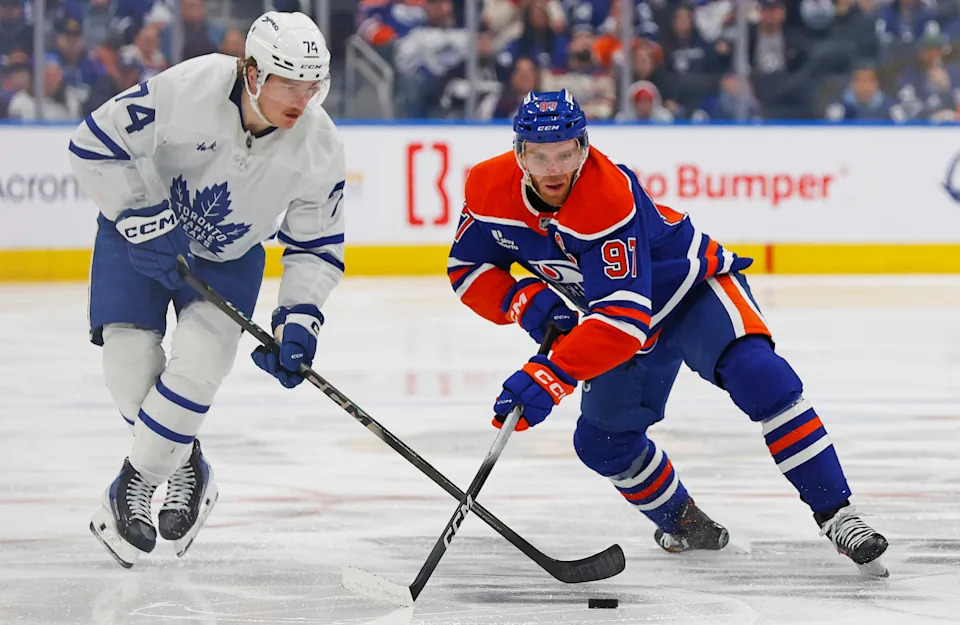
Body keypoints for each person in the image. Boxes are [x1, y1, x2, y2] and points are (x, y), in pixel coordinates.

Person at [447, 89, 889, 577]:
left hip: (690, 292)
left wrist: (551, 374)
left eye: (565, 154)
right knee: (603, 443)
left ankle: (839, 515)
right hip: (613, 319)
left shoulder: (607, 194)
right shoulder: (487, 187)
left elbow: (624, 319)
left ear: (583, 148)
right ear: (519, 154)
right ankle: (684, 522)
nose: (554, 170)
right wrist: (529, 305)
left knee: (762, 377)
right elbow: (467, 268)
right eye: (540, 156)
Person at [68, 11, 346, 568]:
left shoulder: (320, 144)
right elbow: (93, 142)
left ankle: (132, 486)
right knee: (127, 370)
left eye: (312, 86)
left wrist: (299, 317)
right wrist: (143, 217)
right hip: (139, 234)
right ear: (252, 72)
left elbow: (316, 244)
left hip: (230, 257)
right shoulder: (191, 86)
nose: (302, 99)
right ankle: (188, 465)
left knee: (197, 366)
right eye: (290, 84)